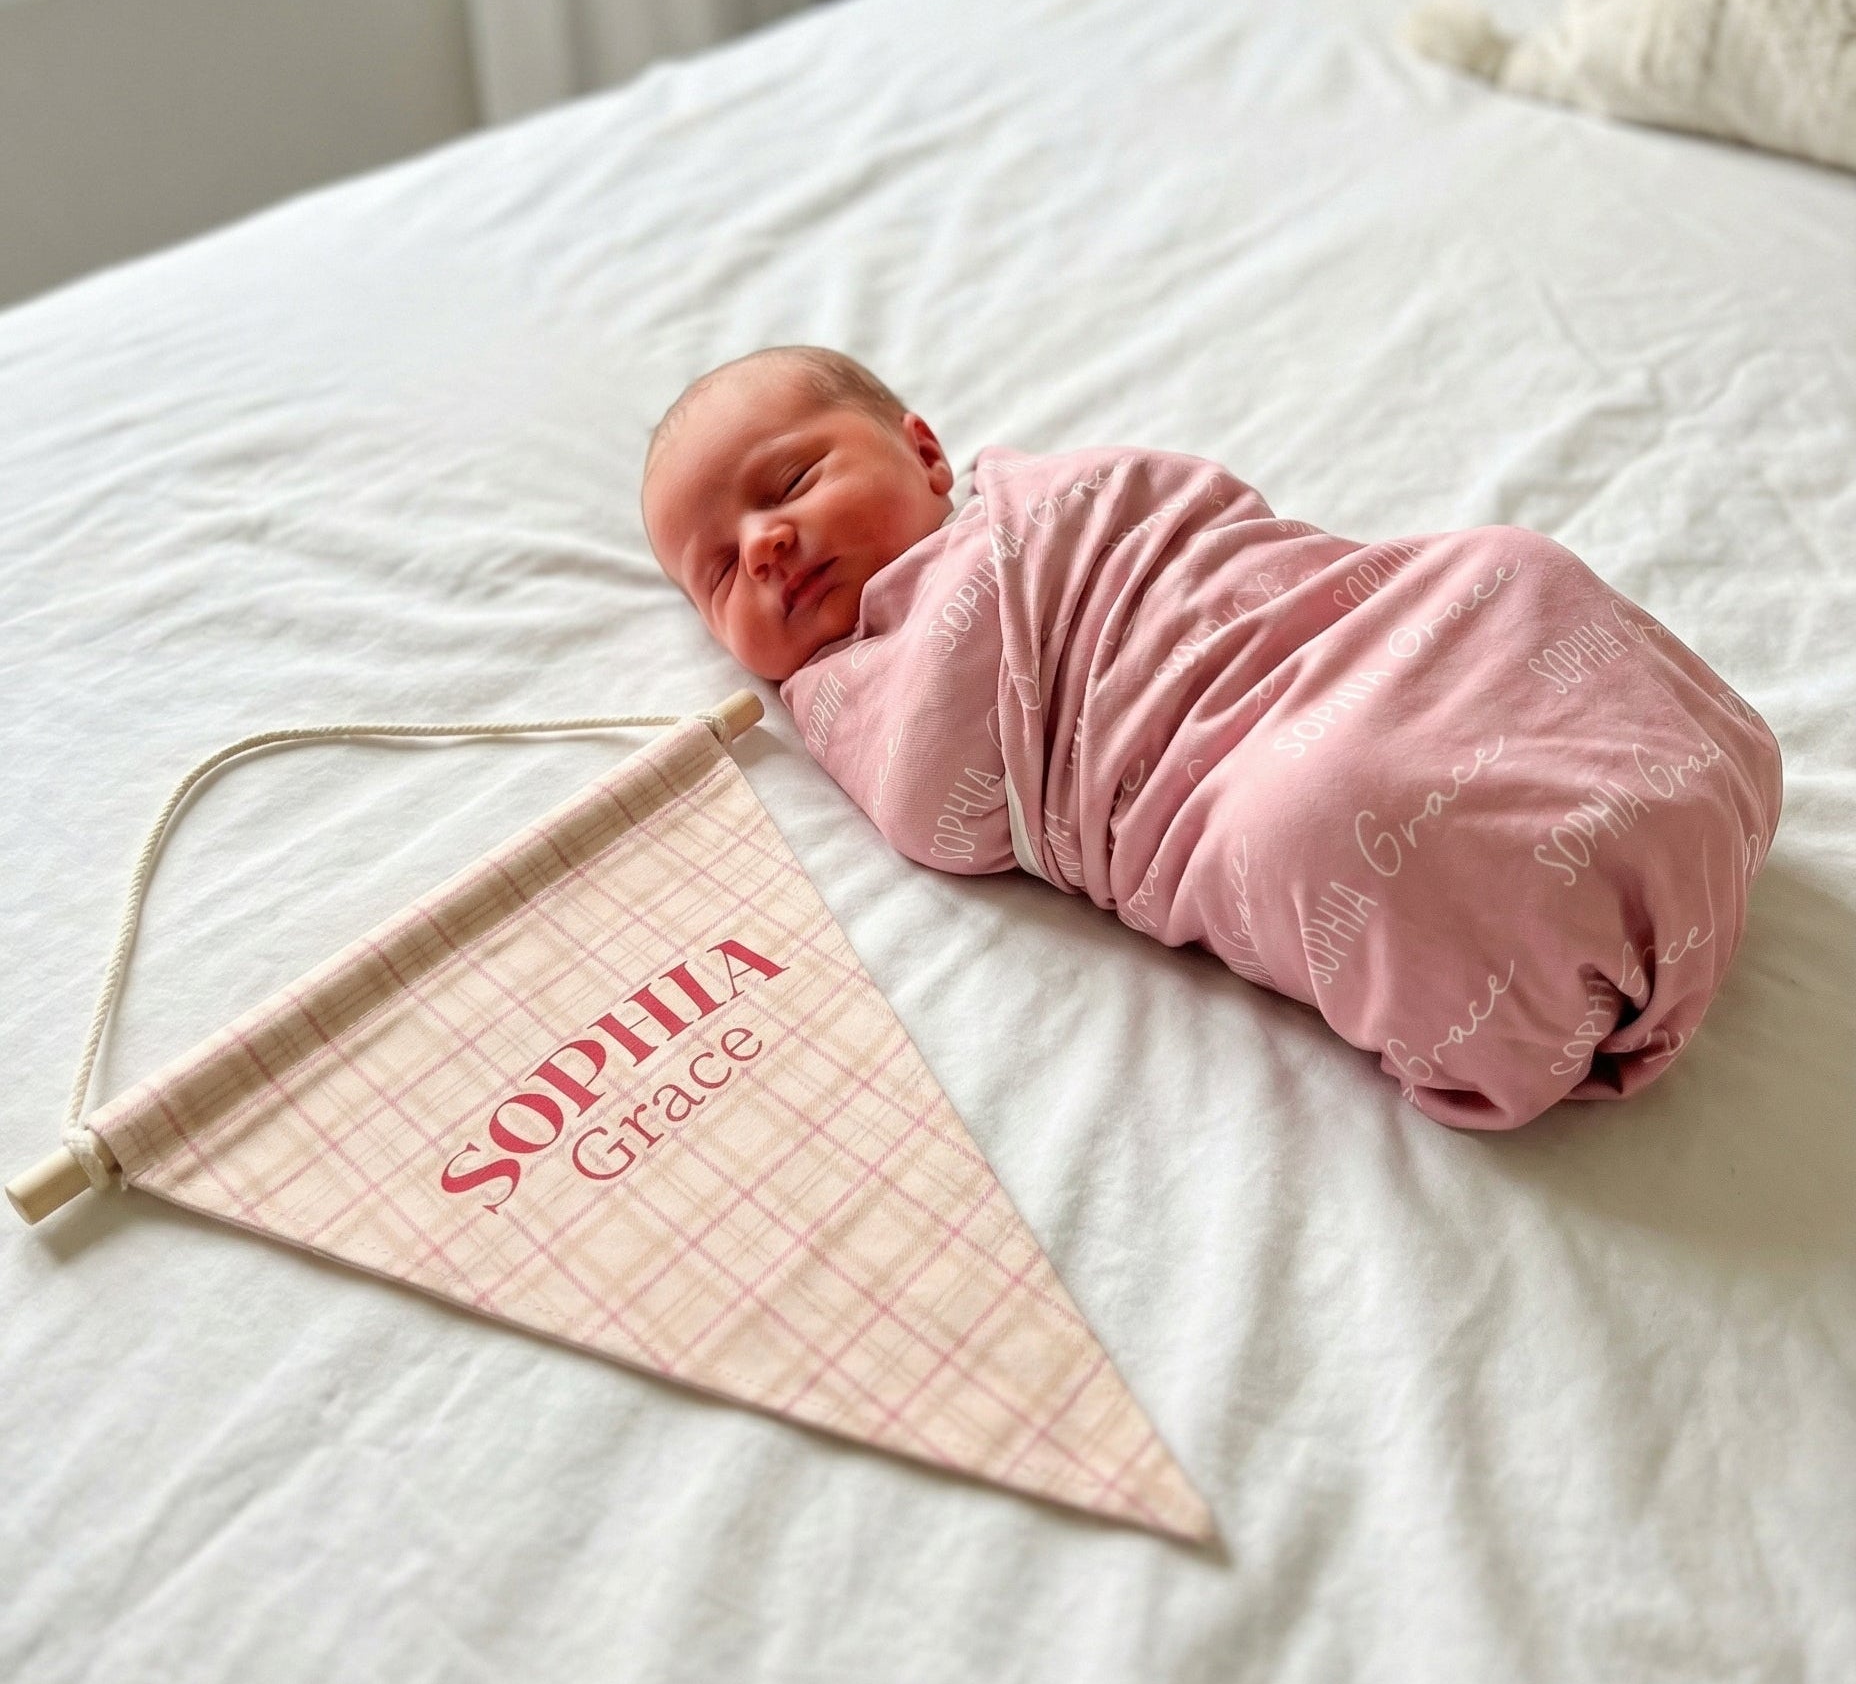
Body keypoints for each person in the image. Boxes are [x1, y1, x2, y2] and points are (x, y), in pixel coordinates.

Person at [641, 344, 1784, 1130]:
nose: (765, 546)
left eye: (789, 480)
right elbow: (944, 801)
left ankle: (1656, 766)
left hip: (1333, 627)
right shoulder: (848, 691)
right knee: (1311, 813)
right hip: (1235, 766)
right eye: (715, 571)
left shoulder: (1051, 494)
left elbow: (1213, 523)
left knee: (1501, 568)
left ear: (926, 455)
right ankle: (1533, 960)